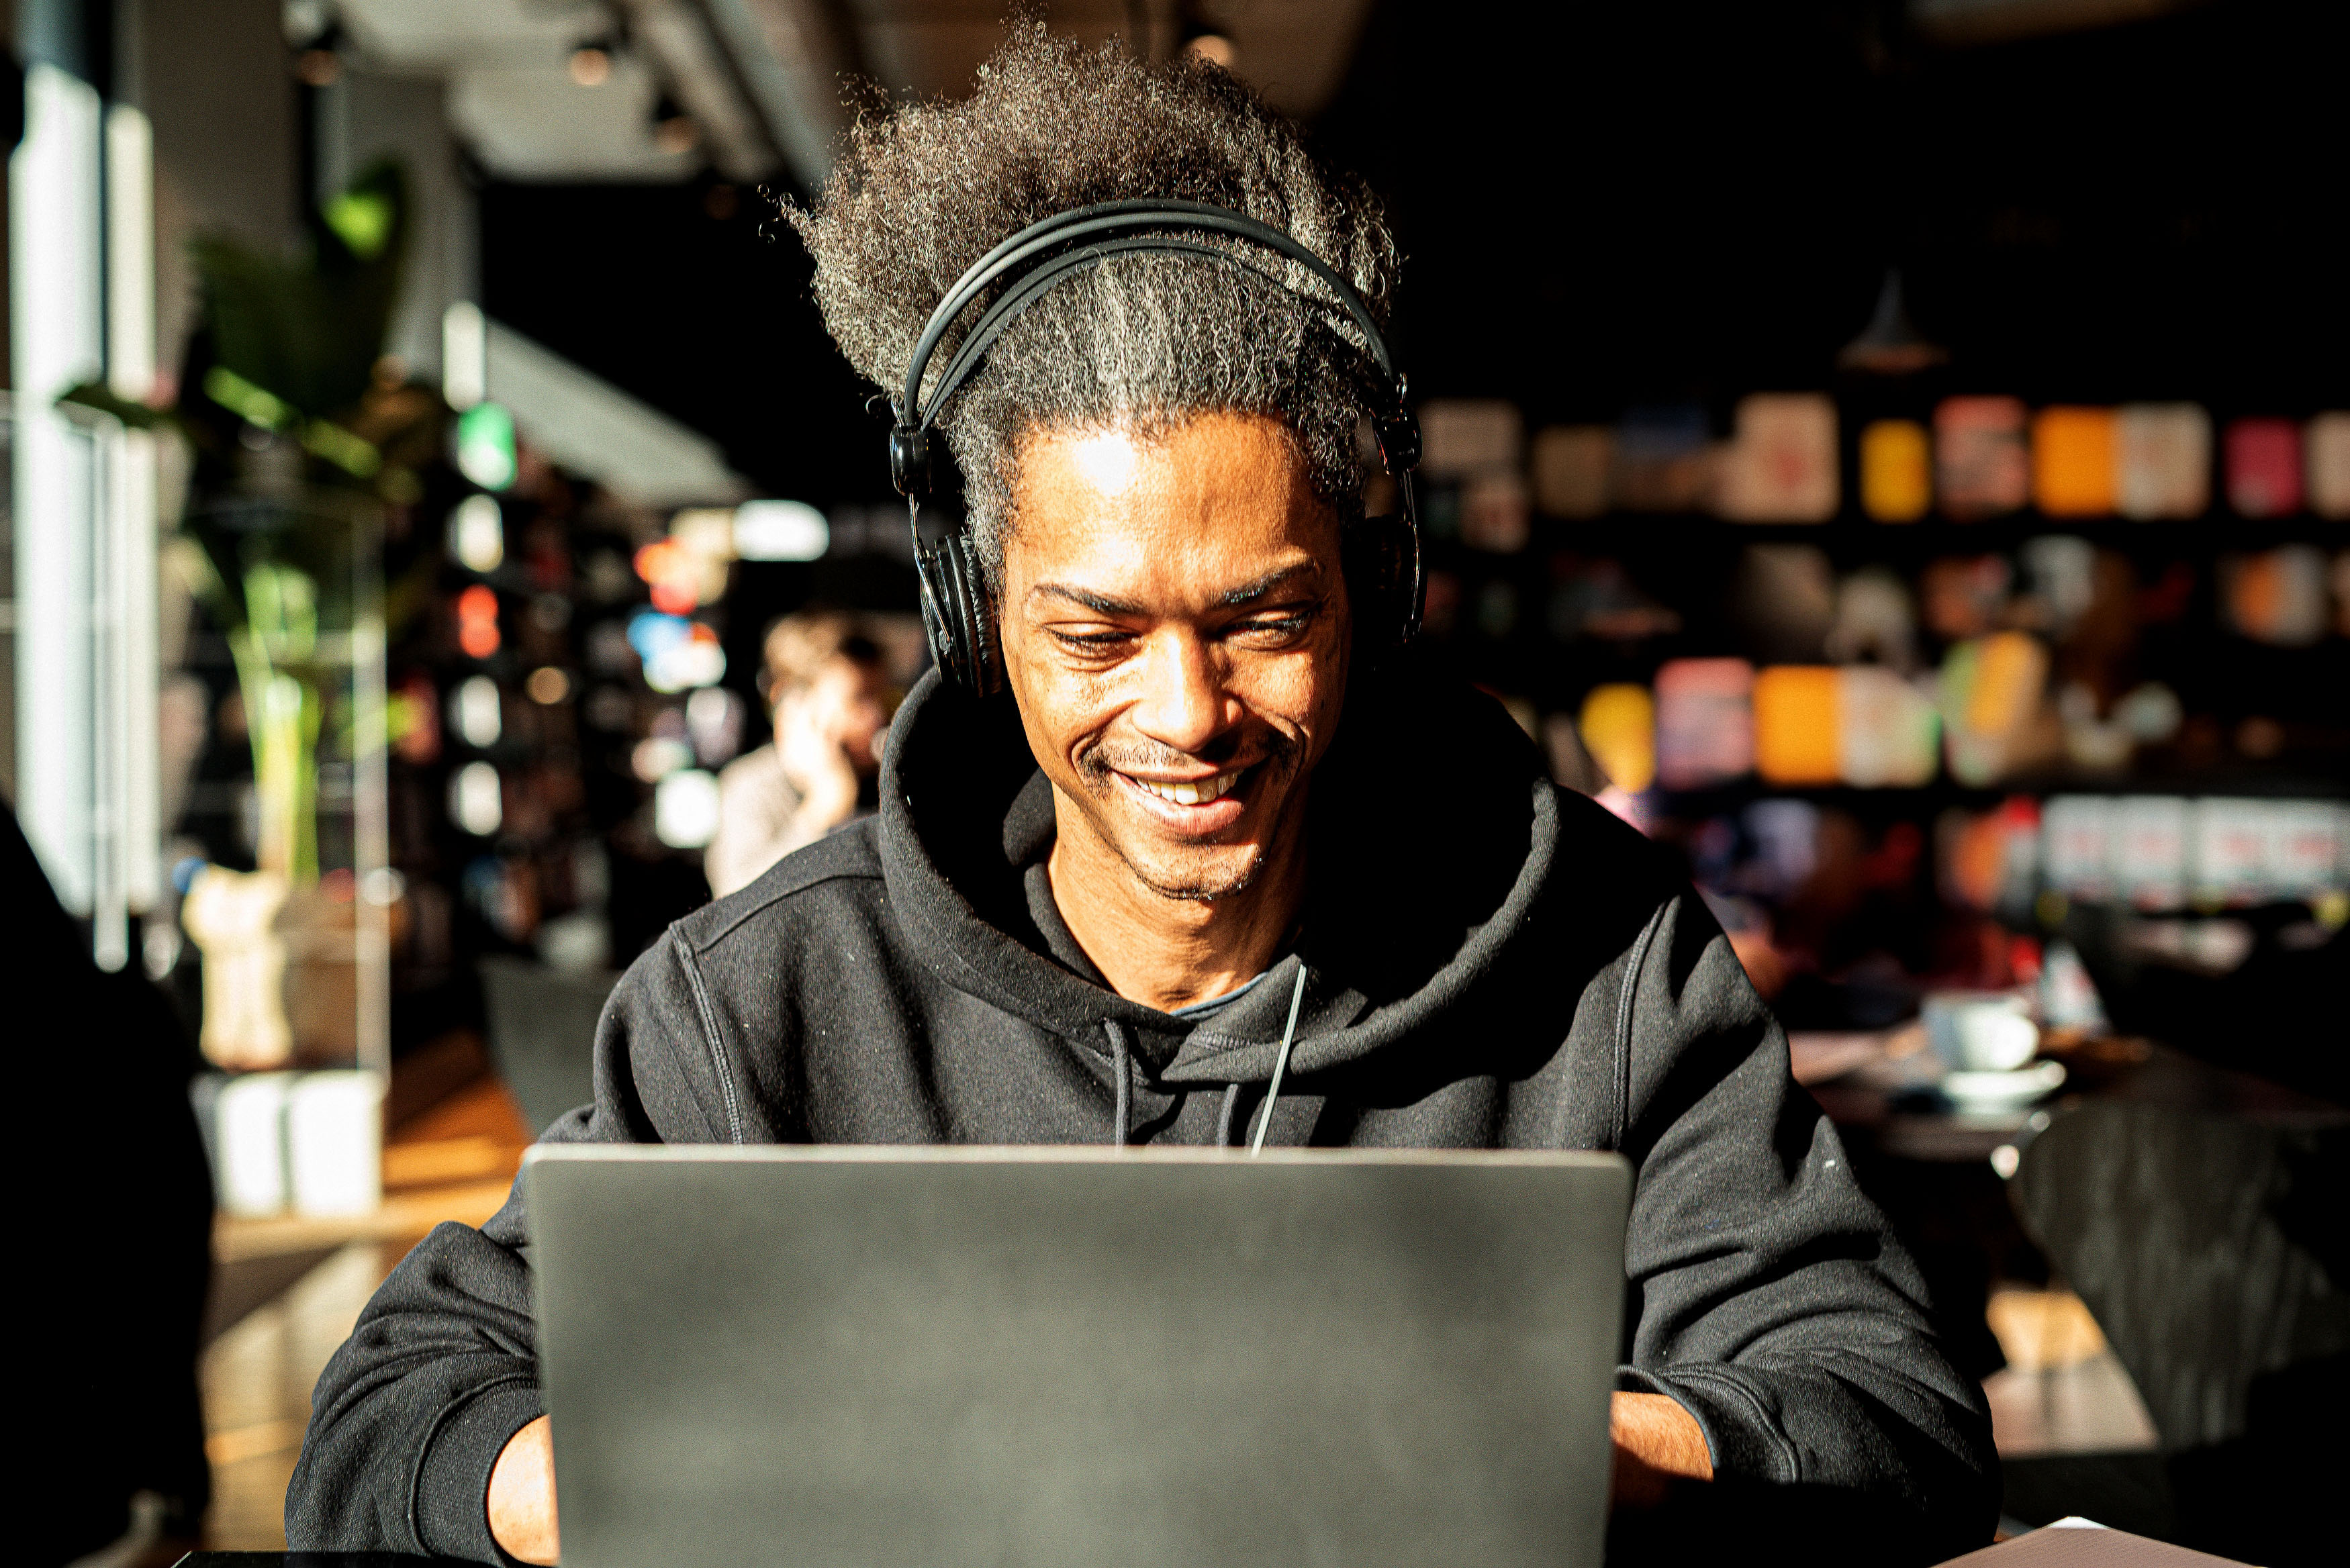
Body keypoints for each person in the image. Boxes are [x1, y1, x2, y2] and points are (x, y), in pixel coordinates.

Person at [287, 29, 1995, 1564]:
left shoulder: (1604, 959)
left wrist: (1526, 1445)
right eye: (1097, 631)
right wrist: (632, 1478)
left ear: (1375, 591)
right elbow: (382, 1424)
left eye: (1266, 618)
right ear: (973, 621)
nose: (1188, 711)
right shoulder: (762, 998)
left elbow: (1891, 1419)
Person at [703, 611, 890, 897]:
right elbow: (737, 903)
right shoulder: (750, 788)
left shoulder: (892, 776)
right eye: (859, 699)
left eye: (880, 697)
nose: (877, 716)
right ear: (793, 704)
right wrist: (826, 805)